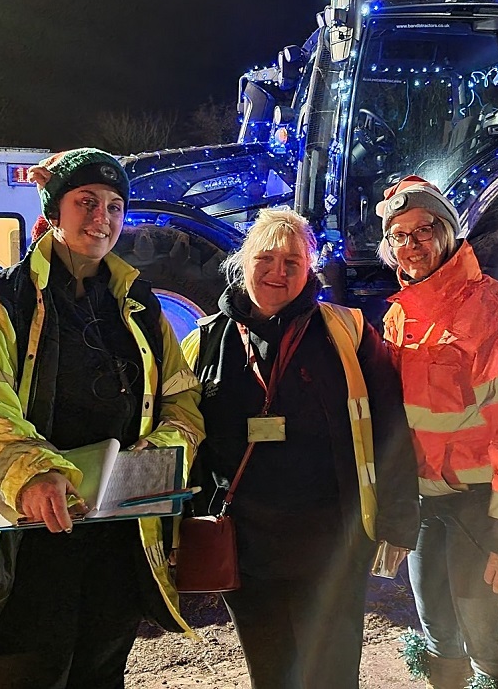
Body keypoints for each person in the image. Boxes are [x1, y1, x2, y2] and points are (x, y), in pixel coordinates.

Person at [0, 147, 205, 689]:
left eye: (114, 205)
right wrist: (33, 473)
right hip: (26, 541)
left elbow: (182, 400)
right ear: (53, 210)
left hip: (114, 541)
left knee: (102, 676)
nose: (102, 218)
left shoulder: (140, 307)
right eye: (86, 202)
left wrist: (157, 458)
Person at [181, 208, 420, 689]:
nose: (277, 272)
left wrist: (396, 521)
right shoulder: (205, 341)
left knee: (331, 676)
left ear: (309, 269)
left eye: (292, 262)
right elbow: (186, 441)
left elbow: (391, 427)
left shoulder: (348, 332)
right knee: (270, 674)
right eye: (265, 258)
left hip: (332, 546)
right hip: (247, 550)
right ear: (242, 263)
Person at [376, 176, 498, 689]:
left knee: (489, 649)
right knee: (438, 636)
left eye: (423, 230)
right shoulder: (400, 317)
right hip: (429, 505)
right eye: (399, 236)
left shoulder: (492, 311)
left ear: (449, 232)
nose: (411, 245)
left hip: (487, 508)